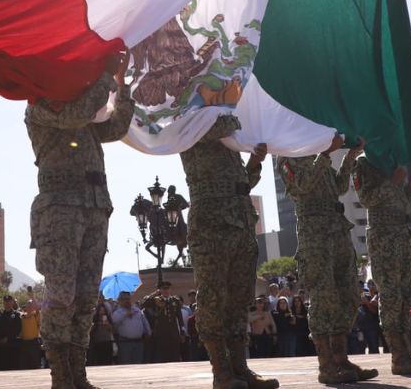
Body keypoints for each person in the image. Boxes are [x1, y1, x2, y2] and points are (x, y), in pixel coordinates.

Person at [25, 52, 133, 388]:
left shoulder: (85, 117)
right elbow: (77, 113)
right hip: (60, 210)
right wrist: (104, 73)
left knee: (87, 297)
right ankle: (61, 375)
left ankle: (78, 372)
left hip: (95, 207)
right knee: (61, 295)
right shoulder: (41, 104)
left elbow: (116, 126)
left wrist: (121, 84)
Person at [177, 114, 276, 389]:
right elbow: (220, 125)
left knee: (238, 298)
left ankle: (239, 368)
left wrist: (254, 163)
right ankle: (221, 371)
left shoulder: (230, 137)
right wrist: (241, 125)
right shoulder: (193, 119)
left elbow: (241, 184)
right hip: (212, 222)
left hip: (240, 221)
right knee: (213, 296)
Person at [276, 135, 378, 384]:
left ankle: (341, 359)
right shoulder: (287, 156)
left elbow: (340, 186)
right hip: (315, 235)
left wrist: (350, 156)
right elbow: (302, 185)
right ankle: (326, 365)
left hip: (338, 231)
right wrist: (325, 155)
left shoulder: (317, 159)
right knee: (324, 299)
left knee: (349, 296)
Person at [353, 153, 411, 374]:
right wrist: (393, 181)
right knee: (391, 295)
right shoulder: (363, 162)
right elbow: (366, 199)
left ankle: (408, 353)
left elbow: (403, 203)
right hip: (383, 237)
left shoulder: (396, 161)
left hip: (403, 234)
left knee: (406, 295)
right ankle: (398, 355)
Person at [140, 283, 184, 363]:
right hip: (161, 332)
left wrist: (182, 331)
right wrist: (153, 294)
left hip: (173, 332)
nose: (166, 291)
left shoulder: (175, 301)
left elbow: (180, 317)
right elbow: (143, 304)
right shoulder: (155, 300)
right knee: (162, 356)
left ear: (170, 289)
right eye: (163, 289)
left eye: (167, 288)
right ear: (160, 290)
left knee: (174, 355)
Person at [110, 292, 150, 365]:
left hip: (139, 342)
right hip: (125, 343)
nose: (127, 301)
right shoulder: (117, 313)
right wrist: (125, 315)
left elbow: (144, 322)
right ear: (120, 301)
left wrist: (148, 332)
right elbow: (114, 325)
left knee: (138, 363)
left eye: (128, 299)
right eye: (124, 299)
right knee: (126, 364)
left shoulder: (137, 310)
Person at [0, 295, 22, 371]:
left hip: (12, 346)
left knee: (13, 369)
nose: (7, 303)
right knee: (1, 369)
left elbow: (18, 329)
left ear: (12, 302)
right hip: (1, 347)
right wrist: (0, 339)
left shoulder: (16, 315)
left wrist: (8, 338)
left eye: (9, 301)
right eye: (5, 302)